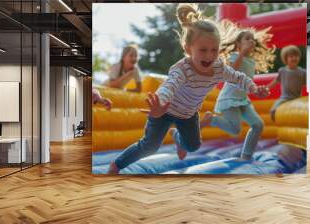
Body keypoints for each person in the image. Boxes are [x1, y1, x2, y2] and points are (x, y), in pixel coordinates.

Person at [107, 3, 268, 174]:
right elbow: (170, 85)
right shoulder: (183, 69)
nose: (209, 56)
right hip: (164, 110)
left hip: (188, 114)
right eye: (203, 50)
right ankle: (116, 165)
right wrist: (160, 104)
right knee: (150, 146)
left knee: (193, 146)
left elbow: (238, 77)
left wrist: (254, 88)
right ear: (187, 49)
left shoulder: (218, 68)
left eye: (214, 50)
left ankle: (177, 135)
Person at [200, 21, 275, 160]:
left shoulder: (251, 63)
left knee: (258, 125)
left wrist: (259, 90)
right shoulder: (235, 57)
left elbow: (247, 83)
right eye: (247, 38)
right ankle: (212, 120)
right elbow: (231, 73)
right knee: (235, 130)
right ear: (238, 44)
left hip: (243, 100)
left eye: (252, 39)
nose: (251, 41)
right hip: (229, 99)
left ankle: (246, 156)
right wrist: (242, 53)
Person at [267, 45, 306, 122]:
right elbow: (276, 81)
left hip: (297, 97)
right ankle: (277, 122)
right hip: (285, 97)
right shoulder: (282, 71)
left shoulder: (302, 72)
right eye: (291, 56)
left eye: (296, 56)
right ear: (286, 59)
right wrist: (267, 88)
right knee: (273, 110)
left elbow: (308, 84)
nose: (294, 58)